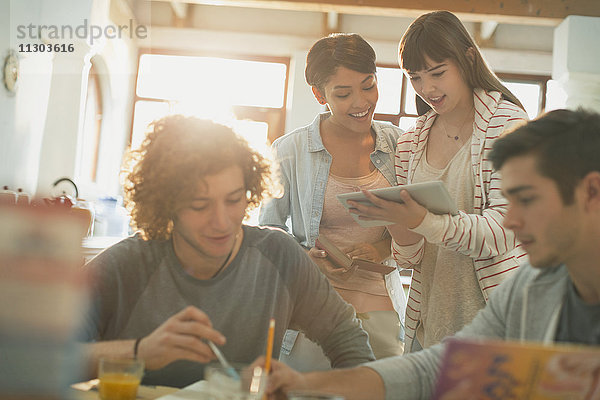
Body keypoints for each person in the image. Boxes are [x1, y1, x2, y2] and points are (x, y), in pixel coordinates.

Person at [261, 108, 600, 400]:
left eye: (527, 199)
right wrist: (306, 383)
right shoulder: (530, 287)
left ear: (591, 191)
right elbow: (435, 368)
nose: (510, 220)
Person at [81, 115, 375, 388]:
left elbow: (348, 342)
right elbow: (40, 359)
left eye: (234, 200)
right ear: (165, 204)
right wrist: (138, 351)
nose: (222, 222)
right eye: (199, 205)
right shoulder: (124, 266)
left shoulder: (279, 256)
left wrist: (306, 385)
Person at [347, 10, 528, 353]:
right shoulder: (410, 142)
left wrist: (423, 221)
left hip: (495, 329)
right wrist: (399, 223)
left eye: (438, 73)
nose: (427, 88)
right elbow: (411, 257)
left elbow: (502, 234)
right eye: (414, 77)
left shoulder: (506, 123)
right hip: (426, 327)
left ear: (468, 59)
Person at [259, 33, 406, 365]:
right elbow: (268, 229)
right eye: (343, 93)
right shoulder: (289, 151)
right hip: (311, 307)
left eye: (368, 86)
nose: (361, 103)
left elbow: (418, 222)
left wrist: (379, 250)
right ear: (318, 94)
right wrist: (303, 257)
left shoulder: (401, 145)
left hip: (380, 305)